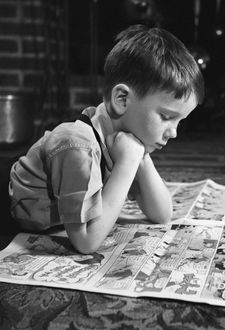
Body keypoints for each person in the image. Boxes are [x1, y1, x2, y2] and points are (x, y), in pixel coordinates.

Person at [8, 24, 205, 254]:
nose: (174, 132)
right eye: (166, 117)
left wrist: (140, 157)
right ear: (122, 99)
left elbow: (162, 214)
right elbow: (86, 243)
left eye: (179, 122)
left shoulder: (124, 136)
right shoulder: (77, 144)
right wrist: (127, 164)